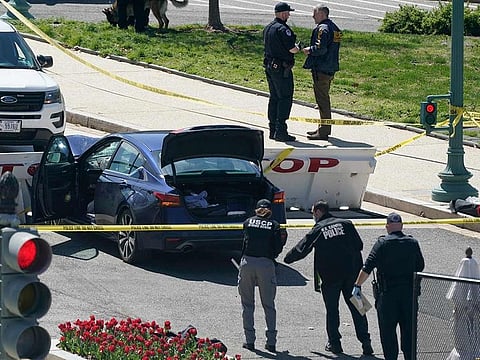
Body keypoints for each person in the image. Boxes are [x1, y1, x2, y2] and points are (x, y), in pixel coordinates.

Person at [284, 200, 373, 355]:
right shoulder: (347, 223)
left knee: (332, 310)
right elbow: (359, 245)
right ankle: (366, 343)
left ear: (318, 212)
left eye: (313, 213)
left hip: (330, 277)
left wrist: (286, 259)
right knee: (359, 308)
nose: (313, 216)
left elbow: (302, 248)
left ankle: (335, 344)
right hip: (353, 276)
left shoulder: (318, 228)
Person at [352, 212, 425, 360]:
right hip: (409, 295)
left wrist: (357, 285)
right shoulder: (413, 243)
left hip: (388, 296)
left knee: (388, 334)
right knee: (409, 334)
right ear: (402, 226)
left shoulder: (382, 243)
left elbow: (368, 267)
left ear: (387, 227)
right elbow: (420, 266)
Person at [238, 199, 286, 353]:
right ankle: (271, 342)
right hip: (266, 264)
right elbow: (278, 247)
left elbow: (243, 242)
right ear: (270, 210)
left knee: (247, 304)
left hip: (247, 263)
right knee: (269, 305)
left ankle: (249, 341)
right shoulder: (274, 225)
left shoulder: (248, 222)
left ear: (256, 209)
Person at [302, 5, 342, 141]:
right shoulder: (334, 28)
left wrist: (309, 50)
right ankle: (322, 128)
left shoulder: (323, 29)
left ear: (322, 14)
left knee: (322, 100)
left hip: (322, 68)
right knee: (323, 99)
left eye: (315, 13)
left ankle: (324, 131)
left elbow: (321, 48)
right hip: (330, 67)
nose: (313, 16)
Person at [263, 2, 301, 142]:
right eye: (288, 12)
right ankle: (281, 130)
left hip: (270, 67)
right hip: (281, 69)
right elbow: (292, 49)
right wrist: (298, 48)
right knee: (285, 98)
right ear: (283, 13)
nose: (289, 15)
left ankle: (273, 129)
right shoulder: (283, 29)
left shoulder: (268, 28)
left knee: (274, 98)